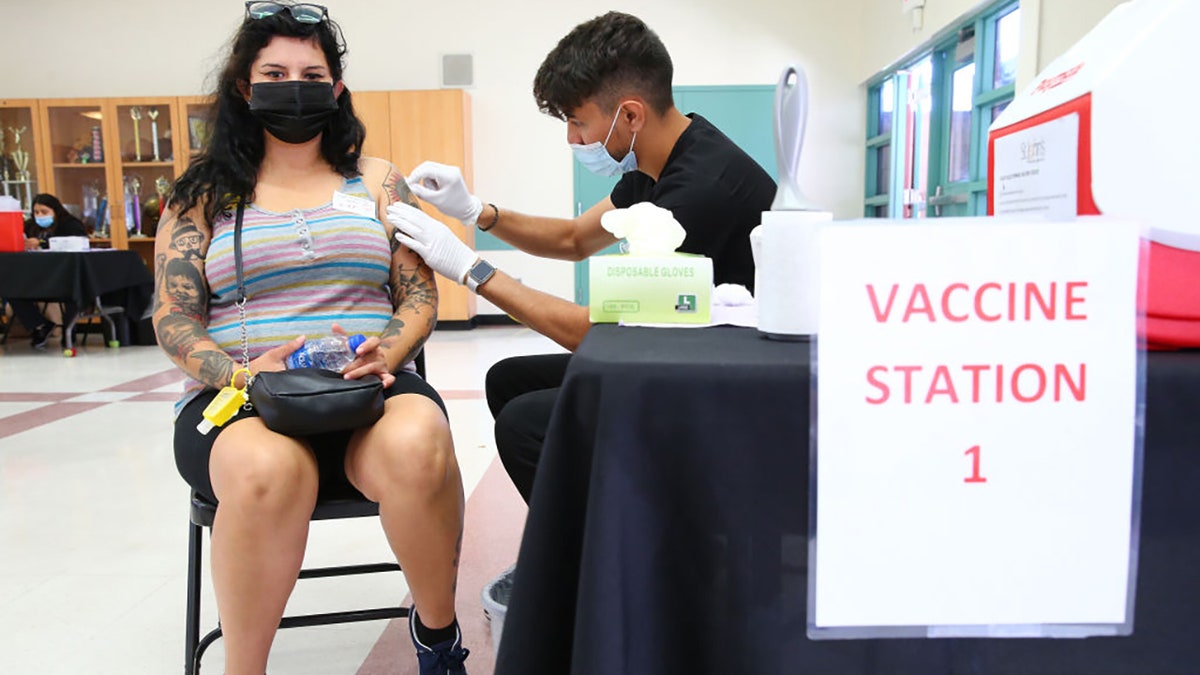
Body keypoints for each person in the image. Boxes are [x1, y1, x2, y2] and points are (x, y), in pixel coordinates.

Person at [157, 4, 467, 674]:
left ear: (336, 88)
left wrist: (386, 350)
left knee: (420, 444)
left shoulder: (381, 182)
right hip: (242, 403)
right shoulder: (203, 195)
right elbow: (173, 316)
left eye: (311, 72)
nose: (293, 85)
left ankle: (438, 639)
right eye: (274, 72)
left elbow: (418, 294)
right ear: (245, 86)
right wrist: (239, 372)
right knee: (271, 470)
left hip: (369, 391)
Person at [388, 10, 776, 505]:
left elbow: (598, 332)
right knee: (510, 380)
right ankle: (588, 537)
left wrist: (472, 270)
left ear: (630, 115)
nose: (572, 138)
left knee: (525, 425)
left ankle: (589, 570)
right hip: (680, 353)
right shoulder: (669, 156)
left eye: (577, 121)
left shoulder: (697, 195)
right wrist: (475, 211)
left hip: (717, 385)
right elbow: (574, 239)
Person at [10, 193, 88, 349]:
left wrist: (41, 242)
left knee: (72, 289)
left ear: (55, 210)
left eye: (44, 212)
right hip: (36, 277)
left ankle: (69, 332)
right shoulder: (30, 225)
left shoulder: (70, 224)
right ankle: (40, 325)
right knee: (9, 287)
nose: (39, 216)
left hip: (63, 277)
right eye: (36, 212)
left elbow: (77, 242)